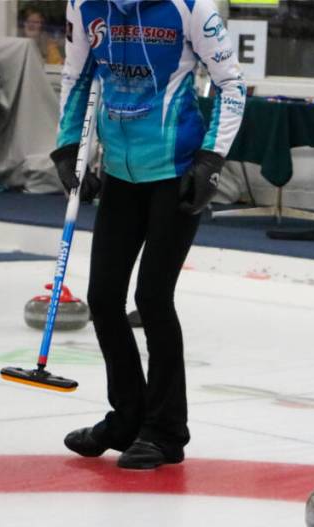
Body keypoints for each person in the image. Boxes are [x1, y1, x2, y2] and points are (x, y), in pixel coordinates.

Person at [55, 0, 245, 470]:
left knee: (153, 298)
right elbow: (76, 77)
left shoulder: (190, 8)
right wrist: (67, 146)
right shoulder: (84, 6)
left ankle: (164, 432)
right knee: (102, 297)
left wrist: (210, 159)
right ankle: (125, 418)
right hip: (120, 171)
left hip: (175, 172)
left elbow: (232, 84)